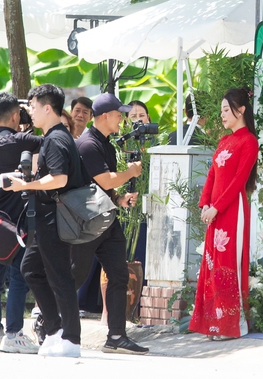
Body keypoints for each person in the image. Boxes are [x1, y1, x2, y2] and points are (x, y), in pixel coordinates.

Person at [6, 84, 86, 358]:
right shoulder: (55, 137)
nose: (30, 110)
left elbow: (60, 179)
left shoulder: (56, 139)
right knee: (31, 269)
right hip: (46, 220)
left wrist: (25, 186)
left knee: (60, 277)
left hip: (55, 219)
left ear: (47, 108)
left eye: (33, 106)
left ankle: (72, 340)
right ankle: (54, 331)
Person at [75, 93, 149, 355]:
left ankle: (116, 335)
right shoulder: (88, 144)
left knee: (119, 275)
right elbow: (105, 180)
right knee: (75, 277)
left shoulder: (105, 143)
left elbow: (105, 188)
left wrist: (119, 199)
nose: (122, 119)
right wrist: (131, 172)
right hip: (87, 222)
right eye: (119, 114)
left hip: (106, 218)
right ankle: (47, 320)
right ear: (105, 116)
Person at [189, 87, 258, 341]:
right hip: (215, 212)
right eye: (221, 111)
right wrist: (205, 204)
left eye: (226, 110)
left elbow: (239, 181)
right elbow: (211, 176)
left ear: (241, 111)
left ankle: (232, 324)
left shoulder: (249, 141)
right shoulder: (223, 141)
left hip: (232, 211)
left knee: (228, 264)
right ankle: (214, 324)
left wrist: (217, 207)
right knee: (212, 266)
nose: (222, 115)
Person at [0, 92, 42, 354]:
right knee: (18, 277)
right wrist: (31, 120)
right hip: (19, 221)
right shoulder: (23, 139)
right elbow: (48, 141)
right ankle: (13, 334)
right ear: (16, 115)